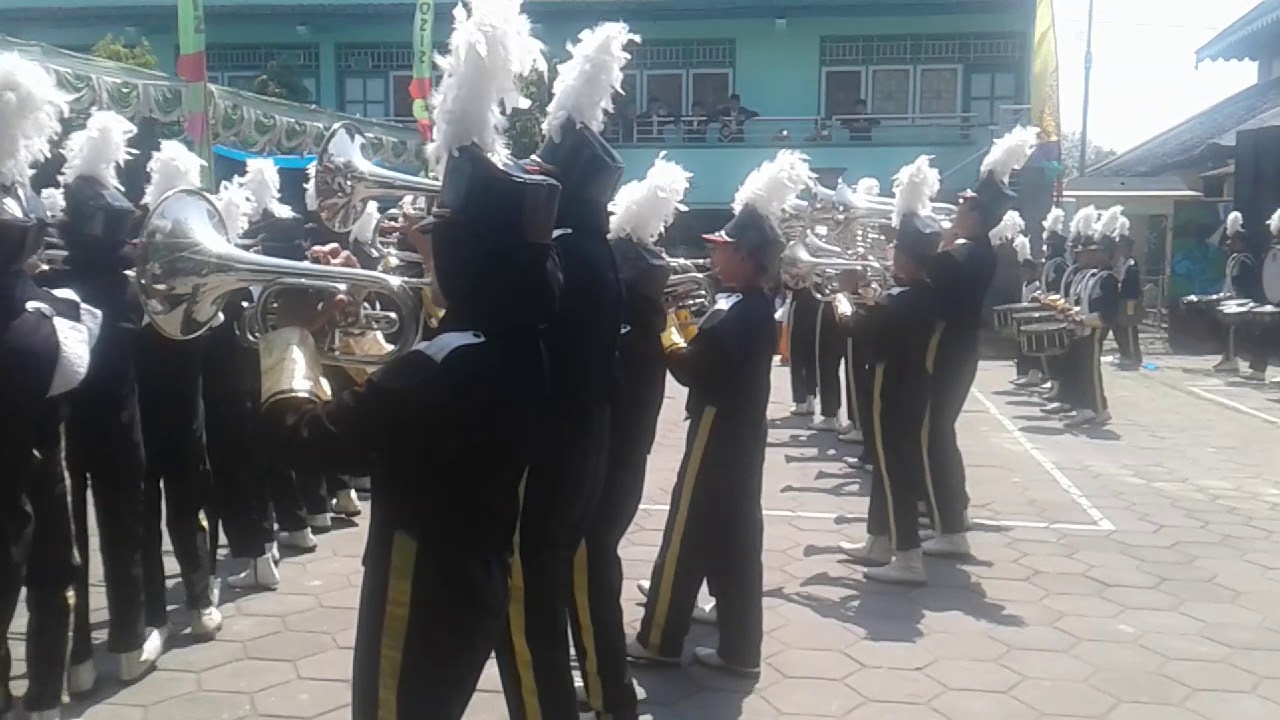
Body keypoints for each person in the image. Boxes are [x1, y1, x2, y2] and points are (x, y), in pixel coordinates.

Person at [258, 0, 562, 712]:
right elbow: (409, 398)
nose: (429, 249)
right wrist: (345, 333)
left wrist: (292, 336)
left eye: (440, 242)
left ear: (467, 261)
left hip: (416, 589)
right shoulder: (518, 340)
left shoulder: (440, 367)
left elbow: (301, 440)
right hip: (475, 578)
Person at [629, 150, 810, 674]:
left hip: (716, 428)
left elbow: (692, 368)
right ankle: (739, 648)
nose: (715, 253)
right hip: (741, 432)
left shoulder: (738, 311)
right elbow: (711, 347)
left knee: (686, 530)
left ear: (749, 258)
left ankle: (659, 638)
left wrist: (666, 329)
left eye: (725, 248)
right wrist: (689, 327)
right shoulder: (747, 305)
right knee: (735, 540)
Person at [495, 22, 629, 720]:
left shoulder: (562, 254)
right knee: (546, 586)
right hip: (584, 442)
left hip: (548, 448)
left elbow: (503, 327)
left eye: (539, 179)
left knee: (525, 598)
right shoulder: (594, 250)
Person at [38, 110, 166, 693]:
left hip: (63, 426)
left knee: (69, 541)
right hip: (117, 423)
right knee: (123, 525)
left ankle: (77, 658)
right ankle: (128, 642)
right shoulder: (126, 288)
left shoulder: (49, 282)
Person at [571, 152, 692, 720]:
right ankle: (604, 679)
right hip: (623, 466)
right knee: (597, 566)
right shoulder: (645, 332)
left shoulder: (623, 341)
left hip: (604, 469)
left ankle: (607, 688)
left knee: (590, 569)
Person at [0, 52, 87, 720]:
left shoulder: (19, 184)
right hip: (20, 366)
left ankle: (42, 688)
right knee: (26, 548)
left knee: (45, 552)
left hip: (34, 364)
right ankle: (31, 693)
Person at [923, 126, 1038, 557]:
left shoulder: (966, 252)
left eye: (963, 205)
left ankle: (950, 525)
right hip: (955, 346)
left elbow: (924, 279)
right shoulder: (972, 249)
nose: (956, 210)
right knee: (937, 431)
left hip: (946, 346)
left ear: (975, 214)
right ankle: (950, 512)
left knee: (934, 433)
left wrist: (939, 243)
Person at [836, 155, 945, 583]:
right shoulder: (920, 294)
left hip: (894, 388)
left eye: (897, 250)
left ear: (909, 258)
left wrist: (843, 302)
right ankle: (879, 540)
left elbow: (858, 329)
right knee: (887, 465)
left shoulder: (903, 299)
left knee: (894, 468)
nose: (891, 254)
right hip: (908, 386)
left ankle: (908, 556)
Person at [134, 141, 222, 640]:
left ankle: (199, 597)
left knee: (189, 511)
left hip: (186, 415)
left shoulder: (198, 284)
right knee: (143, 518)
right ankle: (153, 615)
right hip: (141, 416)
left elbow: (207, 339)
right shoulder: (129, 288)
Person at [1061, 228, 1120, 428]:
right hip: (1084, 326)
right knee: (1081, 368)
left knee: (1091, 369)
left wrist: (1084, 320)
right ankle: (1085, 408)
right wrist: (1072, 313)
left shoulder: (1108, 279)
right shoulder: (1093, 276)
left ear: (1103, 254)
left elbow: (1108, 312)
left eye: (1092, 252)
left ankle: (1099, 409)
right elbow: (1084, 303)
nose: (1086, 256)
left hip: (1094, 329)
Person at [1214, 211, 1261, 374]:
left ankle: (1231, 359)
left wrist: (1236, 298)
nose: (1229, 243)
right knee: (1227, 330)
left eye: (1233, 241)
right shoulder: (1235, 259)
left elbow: (1244, 285)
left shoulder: (1245, 260)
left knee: (1233, 332)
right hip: (1233, 302)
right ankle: (1227, 357)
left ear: (1242, 243)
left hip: (1242, 304)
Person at [1114, 225, 1144, 371]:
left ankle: (1133, 356)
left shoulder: (1131, 264)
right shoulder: (1124, 263)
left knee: (1129, 327)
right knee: (1123, 328)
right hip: (1124, 300)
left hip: (1129, 300)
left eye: (1122, 248)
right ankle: (1126, 353)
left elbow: (1131, 285)